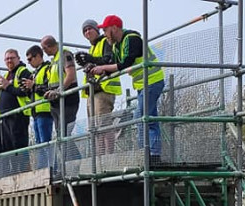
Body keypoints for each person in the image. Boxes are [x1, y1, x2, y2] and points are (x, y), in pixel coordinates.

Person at [89, 15, 165, 159]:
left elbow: (126, 63)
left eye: (105, 30)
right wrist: (102, 69)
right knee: (148, 118)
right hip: (144, 84)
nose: (104, 34)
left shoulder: (131, 38)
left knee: (143, 117)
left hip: (152, 80)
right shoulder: (117, 45)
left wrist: (102, 68)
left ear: (114, 28)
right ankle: (150, 154)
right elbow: (116, 64)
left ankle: (150, 154)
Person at [78, 19, 122, 153]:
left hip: (104, 88)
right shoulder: (93, 47)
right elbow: (97, 62)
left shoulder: (105, 42)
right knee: (94, 127)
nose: (87, 32)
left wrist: (90, 59)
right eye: (85, 30)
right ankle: (99, 157)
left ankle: (107, 156)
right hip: (93, 90)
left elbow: (108, 60)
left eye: (90, 28)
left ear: (97, 30)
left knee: (104, 124)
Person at [21, 45, 54, 169]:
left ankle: (50, 168)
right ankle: (42, 168)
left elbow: (48, 88)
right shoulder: (35, 72)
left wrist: (33, 86)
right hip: (36, 112)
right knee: (40, 143)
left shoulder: (47, 69)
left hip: (45, 110)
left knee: (45, 142)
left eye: (31, 59)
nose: (29, 62)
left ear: (39, 56)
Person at [40, 35, 79, 137]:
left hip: (67, 100)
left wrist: (58, 91)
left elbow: (70, 75)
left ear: (49, 46)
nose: (44, 51)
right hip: (57, 102)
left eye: (44, 48)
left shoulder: (64, 54)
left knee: (64, 133)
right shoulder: (54, 61)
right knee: (60, 134)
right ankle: (67, 153)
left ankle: (72, 154)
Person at [0, 49, 32, 156]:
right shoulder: (7, 75)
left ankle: (23, 169)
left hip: (18, 114)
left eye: (12, 58)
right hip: (5, 116)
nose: (9, 61)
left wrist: (8, 86)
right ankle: (13, 172)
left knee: (19, 145)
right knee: (8, 148)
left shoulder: (22, 71)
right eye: (7, 59)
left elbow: (23, 92)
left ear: (18, 59)